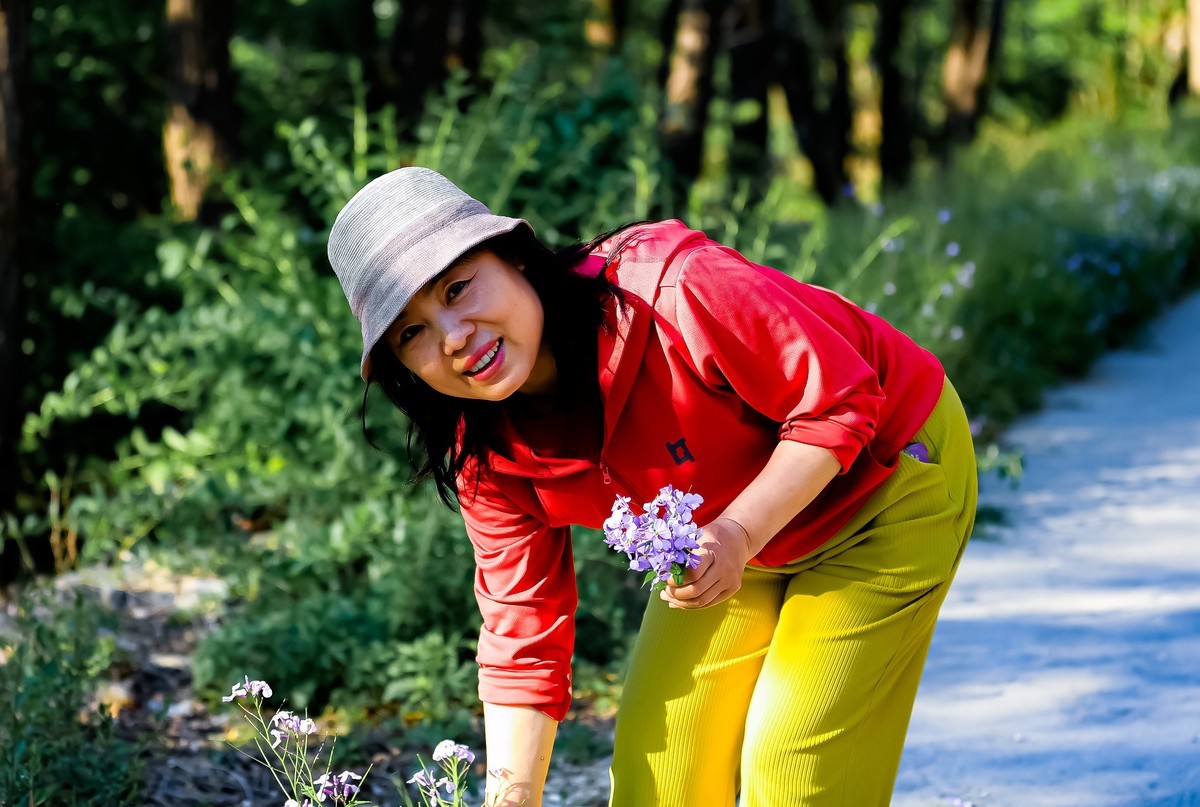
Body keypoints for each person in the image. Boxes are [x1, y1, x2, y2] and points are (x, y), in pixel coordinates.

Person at [326, 167, 977, 807]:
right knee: (659, 776)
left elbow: (838, 403)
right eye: (412, 332)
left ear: (515, 258)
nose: (455, 337)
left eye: (458, 288)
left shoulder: (675, 290)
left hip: (883, 477)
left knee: (793, 763)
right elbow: (523, 628)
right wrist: (512, 797)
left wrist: (738, 533)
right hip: (722, 537)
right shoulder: (485, 448)